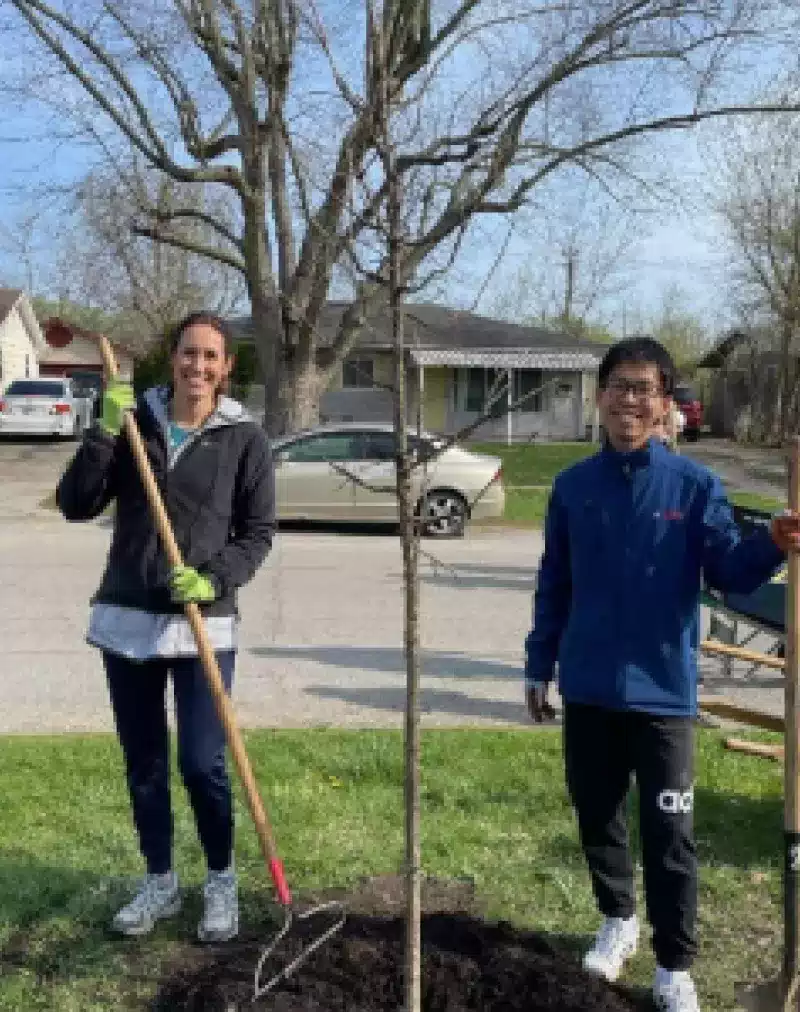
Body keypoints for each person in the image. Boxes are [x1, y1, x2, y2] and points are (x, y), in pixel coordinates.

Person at [524, 336, 800, 1012]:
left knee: (669, 833)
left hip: (663, 695)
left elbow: (729, 573)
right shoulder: (571, 488)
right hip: (588, 687)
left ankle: (674, 965)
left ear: (663, 402)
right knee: (598, 818)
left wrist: (771, 543)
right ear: (600, 395)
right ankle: (618, 918)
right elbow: (554, 584)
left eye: (644, 387)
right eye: (618, 384)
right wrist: (539, 664)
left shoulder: (695, 486)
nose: (629, 398)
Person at [56, 311, 276, 943]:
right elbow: (77, 505)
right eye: (188, 354)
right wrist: (103, 431)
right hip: (127, 619)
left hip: (203, 624)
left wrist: (215, 579)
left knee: (203, 762)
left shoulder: (245, 439)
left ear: (227, 367)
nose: (197, 367)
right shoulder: (133, 421)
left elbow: (257, 534)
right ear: (171, 358)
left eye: (211, 357)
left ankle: (220, 879)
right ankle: (159, 878)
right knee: (145, 762)